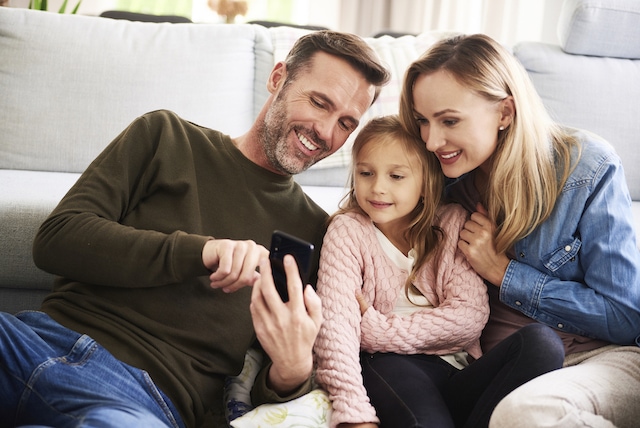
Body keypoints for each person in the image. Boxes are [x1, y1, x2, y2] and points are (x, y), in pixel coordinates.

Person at [0, 30, 390, 428]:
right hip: (32, 342)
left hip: (140, 397)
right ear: (278, 78)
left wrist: (289, 372)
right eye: (319, 103)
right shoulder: (164, 136)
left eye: (345, 123)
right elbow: (55, 240)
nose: (326, 132)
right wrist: (203, 251)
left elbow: (253, 391)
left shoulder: (318, 233)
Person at [399, 33, 640, 428]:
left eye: (449, 120)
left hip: (597, 359)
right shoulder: (443, 183)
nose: (431, 140)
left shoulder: (586, 169)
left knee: (527, 413)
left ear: (505, 113)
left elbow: (624, 316)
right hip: (499, 367)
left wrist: (504, 273)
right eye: (423, 121)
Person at [313, 115, 564, 428]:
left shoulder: (452, 222)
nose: (377, 188)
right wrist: (353, 412)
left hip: (458, 371)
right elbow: (336, 328)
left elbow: (469, 319)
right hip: (392, 367)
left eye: (396, 176)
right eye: (366, 173)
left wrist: (377, 330)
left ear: (425, 182)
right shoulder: (348, 231)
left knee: (541, 344)